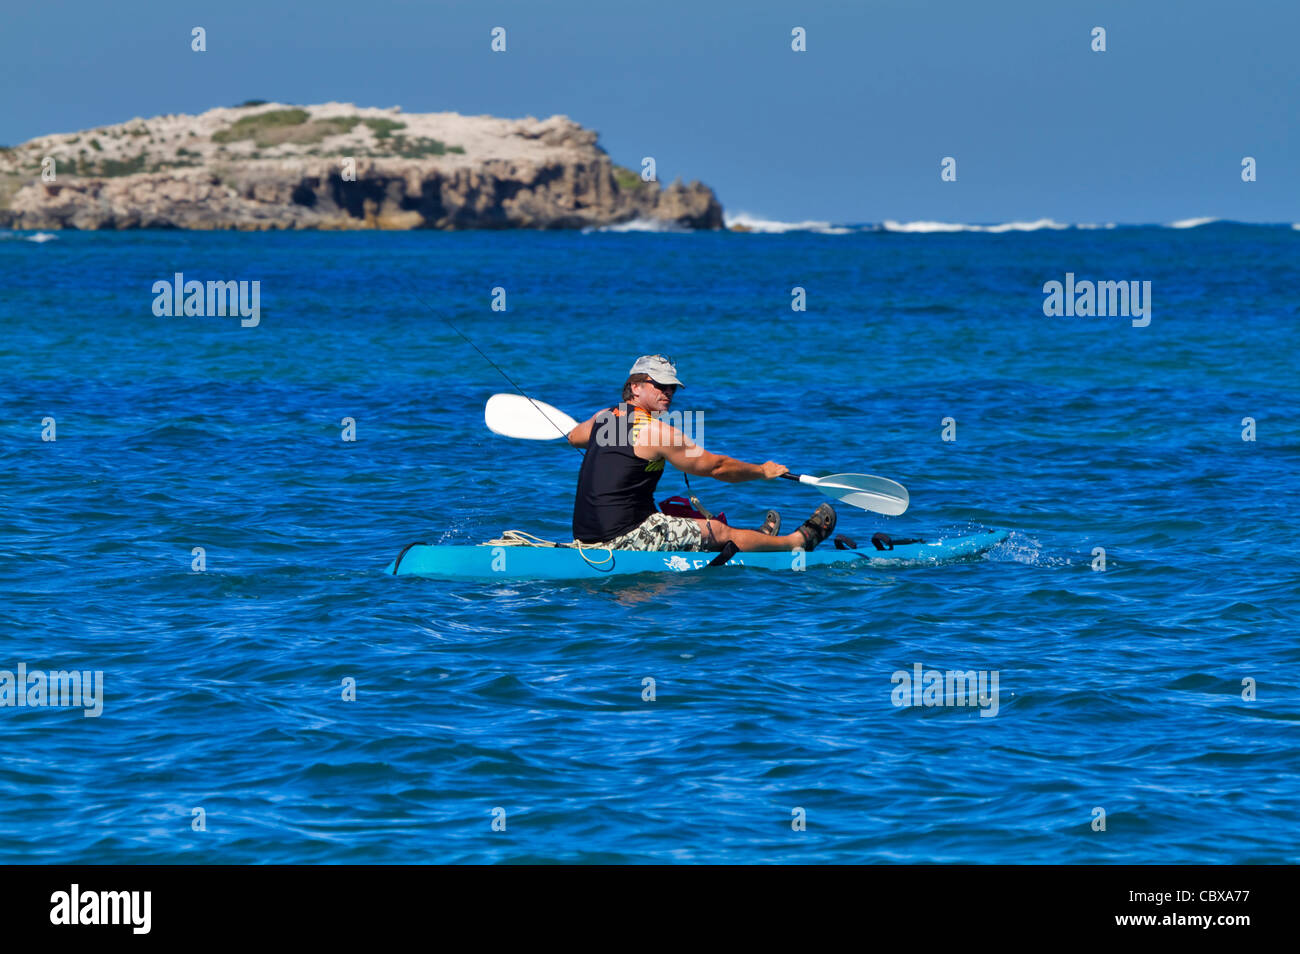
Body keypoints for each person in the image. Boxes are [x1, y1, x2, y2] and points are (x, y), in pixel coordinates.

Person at [567, 354, 836, 552]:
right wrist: (762, 471)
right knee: (718, 530)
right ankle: (797, 542)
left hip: (586, 535)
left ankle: (757, 538)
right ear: (635, 387)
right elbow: (717, 467)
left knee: (680, 517)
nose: (668, 392)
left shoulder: (603, 418)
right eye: (659, 385)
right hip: (624, 538)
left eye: (672, 387)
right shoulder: (656, 432)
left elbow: (573, 437)